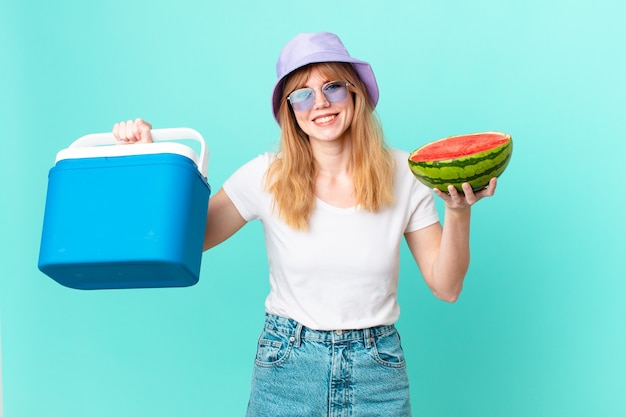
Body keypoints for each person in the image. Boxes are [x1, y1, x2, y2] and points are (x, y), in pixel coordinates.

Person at [112, 32, 497, 417]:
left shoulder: (404, 172)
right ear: (290, 109)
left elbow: (447, 287)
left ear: (356, 93)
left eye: (333, 87)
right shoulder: (266, 175)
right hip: (287, 367)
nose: (321, 103)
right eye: (303, 94)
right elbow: (179, 239)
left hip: (378, 371)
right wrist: (148, 158)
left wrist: (458, 211)